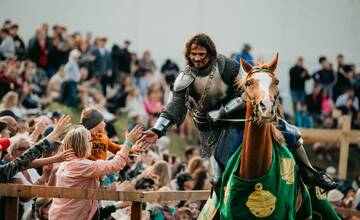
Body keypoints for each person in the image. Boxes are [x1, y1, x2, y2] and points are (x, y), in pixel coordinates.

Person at [142, 33, 337, 193]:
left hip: (243, 118)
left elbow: (248, 90)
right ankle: (220, 209)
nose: (197, 58)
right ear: (188, 54)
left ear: (210, 53)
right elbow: (174, 106)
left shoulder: (226, 67)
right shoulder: (185, 78)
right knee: (217, 176)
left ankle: (310, 173)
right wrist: (157, 130)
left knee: (291, 133)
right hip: (215, 131)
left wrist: (222, 111)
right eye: (193, 54)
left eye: (201, 54)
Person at [48, 125, 145, 220]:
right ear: (84, 144)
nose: (92, 144)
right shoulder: (83, 166)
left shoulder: (67, 163)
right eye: (90, 141)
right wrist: (128, 143)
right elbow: (116, 164)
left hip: (60, 215)